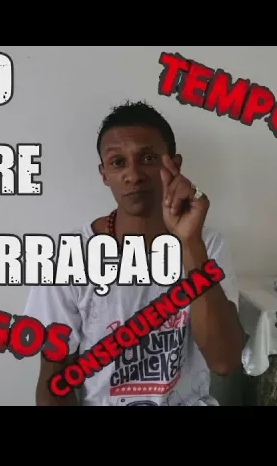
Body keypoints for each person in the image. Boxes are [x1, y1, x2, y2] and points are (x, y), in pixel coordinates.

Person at [24, 100, 244, 406]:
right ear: (104, 174)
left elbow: (224, 362)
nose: (134, 174)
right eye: (118, 162)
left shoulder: (206, 245)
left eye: (148, 158)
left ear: (175, 165)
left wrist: (190, 243)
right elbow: (53, 382)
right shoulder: (70, 256)